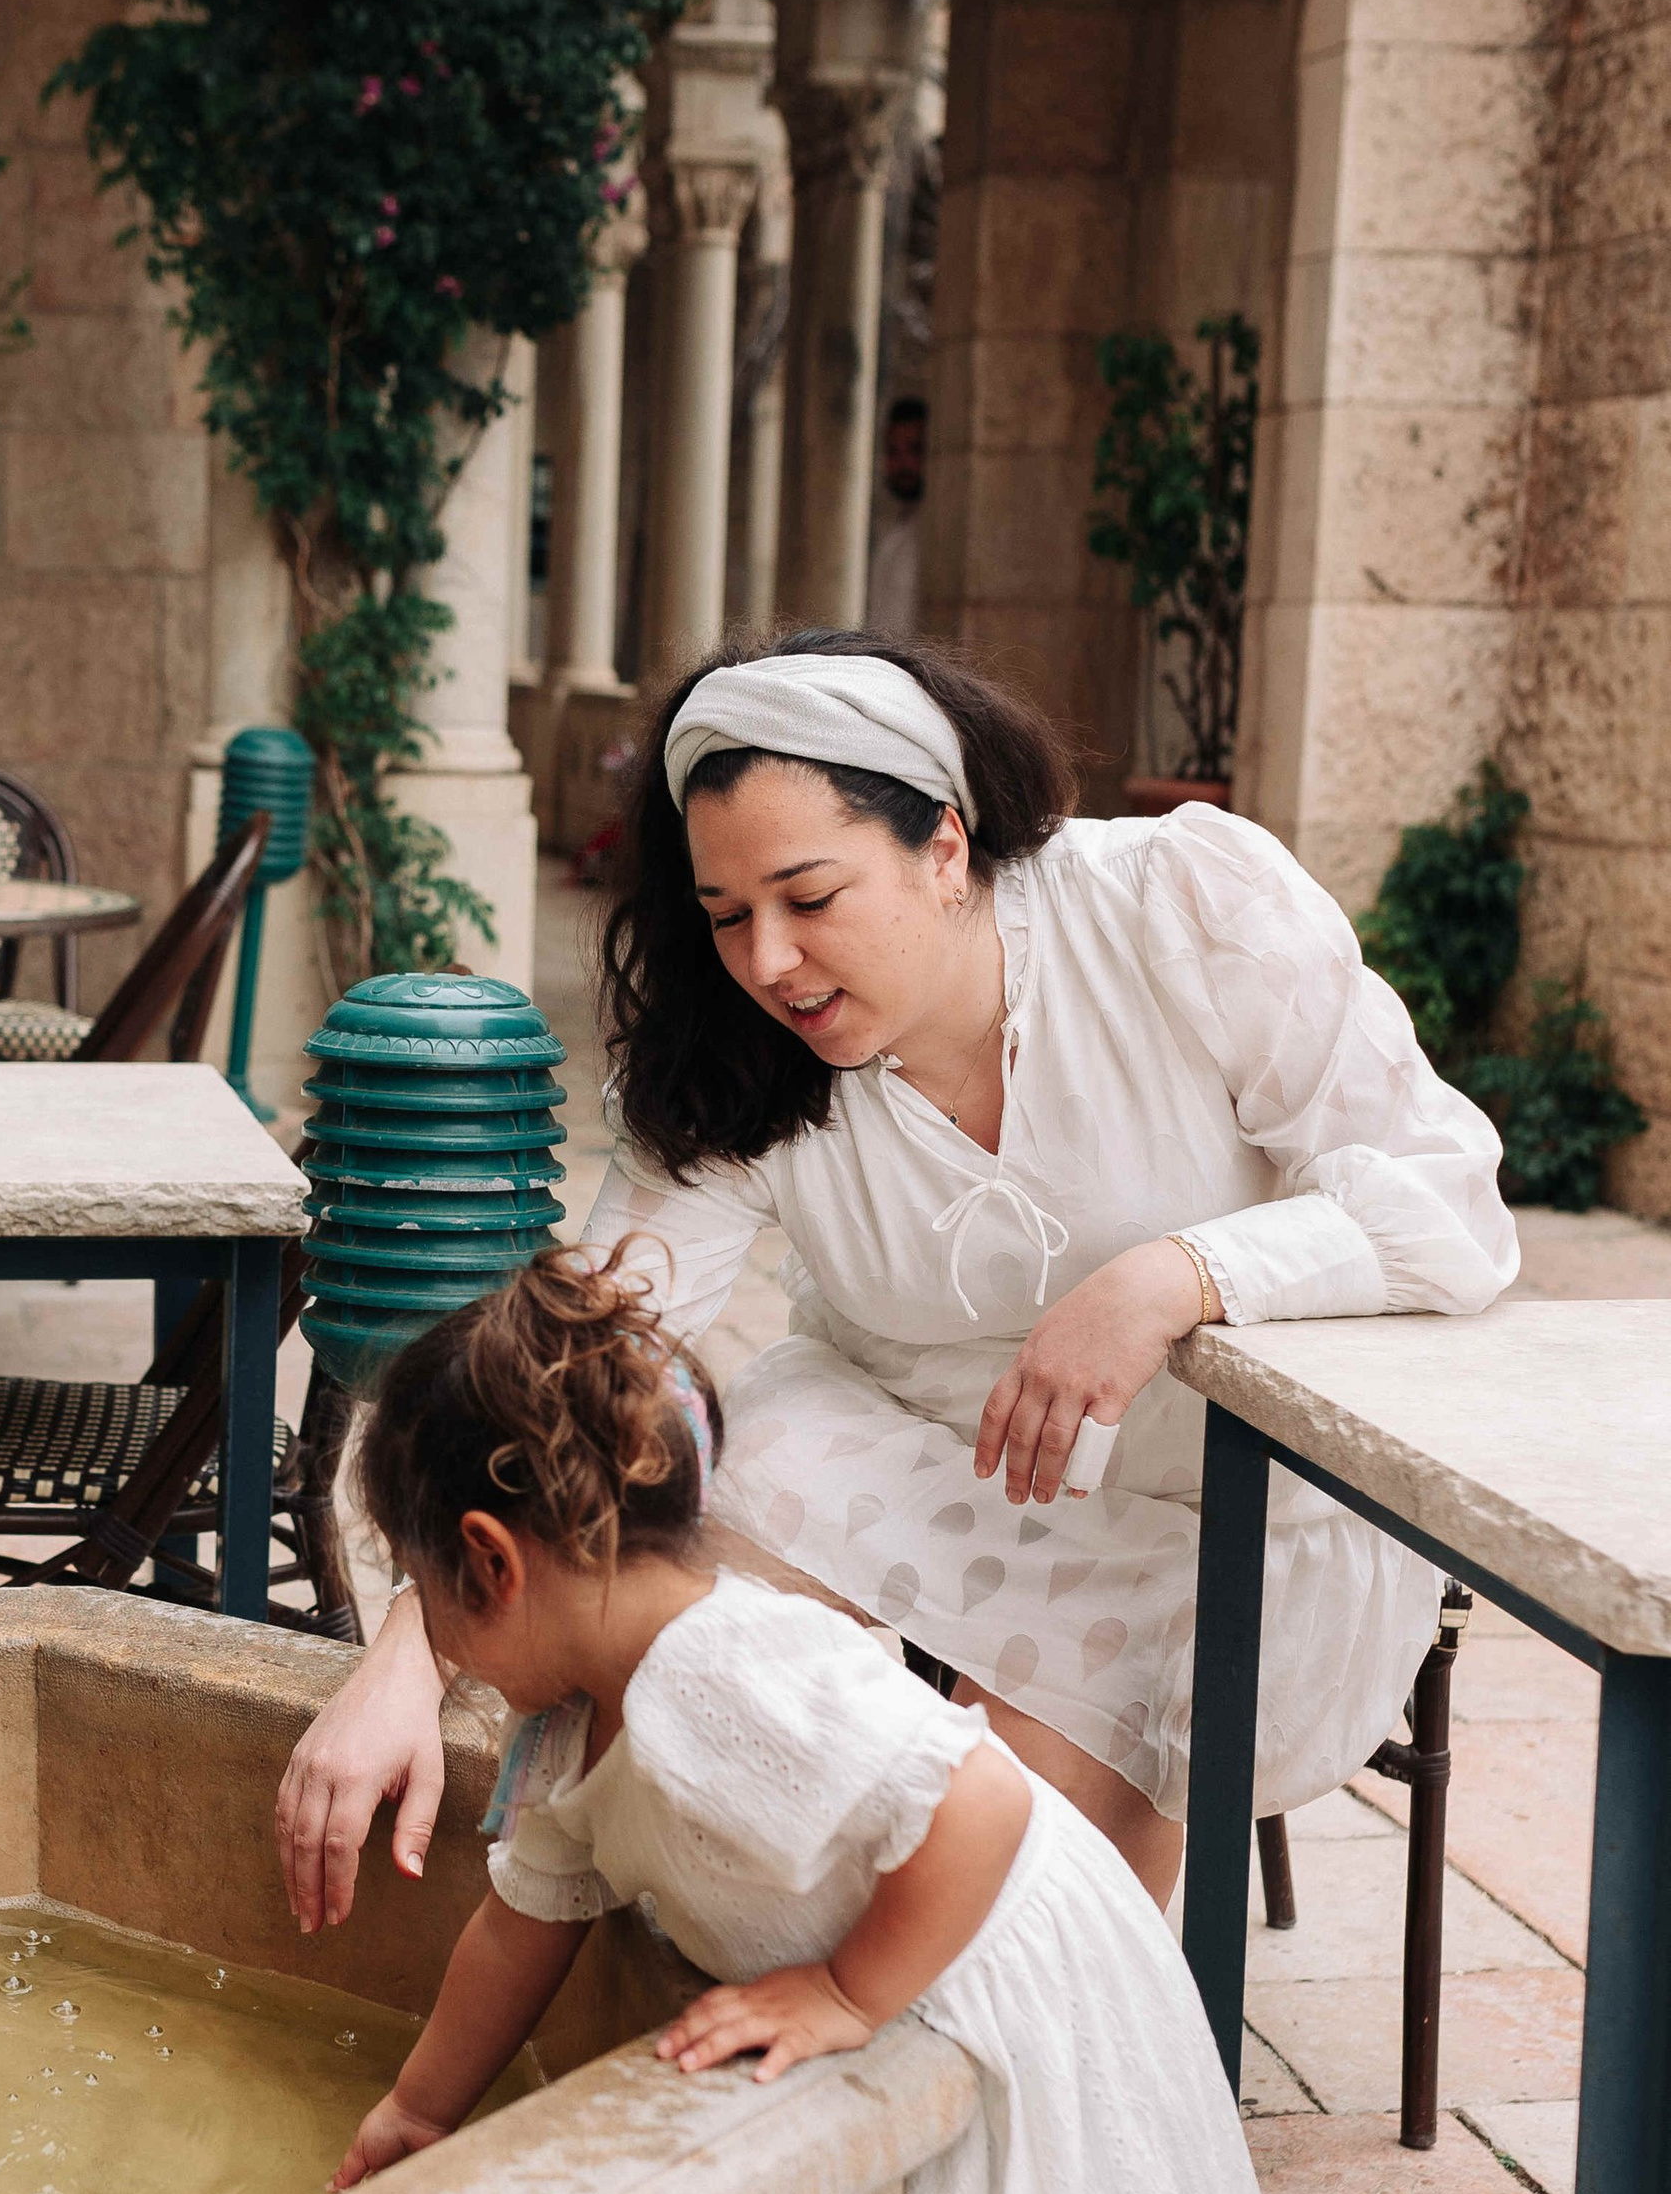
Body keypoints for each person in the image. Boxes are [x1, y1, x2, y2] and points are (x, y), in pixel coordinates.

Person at [277, 631, 1516, 1929]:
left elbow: (1449, 1198)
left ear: (945, 847)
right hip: (937, 1465)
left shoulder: (1178, 907)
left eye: (809, 898)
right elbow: (593, 1349)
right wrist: (415, 1647)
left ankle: (926, 2003)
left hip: (1238, 1505)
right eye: (726, 916)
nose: (767, 960)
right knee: (634, 1595)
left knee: (1007, 1879)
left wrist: (1174, 1278)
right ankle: (611, 1938)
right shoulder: (734, 1054)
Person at [333, 1247, 1290, 2194]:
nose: (439, 1642)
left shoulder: (720, 1673)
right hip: (954, 1989)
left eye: (424, 1602)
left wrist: (846, 1994)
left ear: (491, 1564)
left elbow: (974, 1805)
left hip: (1008, 2000)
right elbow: (527, 1919)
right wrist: (420, 2111)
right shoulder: (582, 1712)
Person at [867, 393, 928, 644]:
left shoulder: (935, 535)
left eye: (914, 449)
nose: (903, 464)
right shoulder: (892, 532)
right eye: (893, 452)